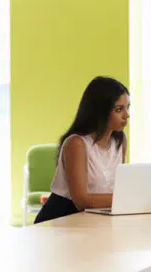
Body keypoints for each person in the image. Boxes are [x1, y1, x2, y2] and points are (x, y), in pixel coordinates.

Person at [34, 76, 129, 224]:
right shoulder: (76, 143)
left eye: (127, 108)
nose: (126, 115)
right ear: (100, 111)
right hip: (62, 218)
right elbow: (81, 200)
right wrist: (128, 198)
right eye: (119, 109)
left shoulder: (120, 140)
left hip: (94, 217)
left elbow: (116, 187)